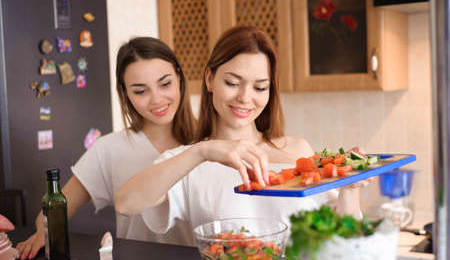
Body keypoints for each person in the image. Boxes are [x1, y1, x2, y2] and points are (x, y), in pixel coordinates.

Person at [114, 26, 363, 235]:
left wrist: (351, 187)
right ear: (210, 79)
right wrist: (203, 151)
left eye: (259, 87)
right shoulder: (191, 160)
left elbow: (342, 234)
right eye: (232, 83)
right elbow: (126, 203)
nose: (245, 98)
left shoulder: (299, 150)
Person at [16, 37, 197, 260]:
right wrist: (43, 232)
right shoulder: (109, 149)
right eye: (140, 91)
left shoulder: (209, 143)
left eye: (165, 83)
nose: (157, 99)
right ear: (125, 93)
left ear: (179, 77)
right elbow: (56, 208)